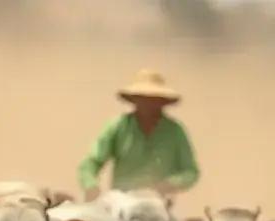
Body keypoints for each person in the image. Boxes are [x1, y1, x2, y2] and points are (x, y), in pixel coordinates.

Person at [78, 69, 200, 199]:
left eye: (154, 99)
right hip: (120, 203)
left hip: (158, 205)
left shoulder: (175, 131)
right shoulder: (118, 126)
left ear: (163, 101)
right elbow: (91, 163)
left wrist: (169, 184)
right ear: (134, 100)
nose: (149, 103)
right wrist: (91, 186)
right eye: (143, 98)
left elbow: (191, 171)